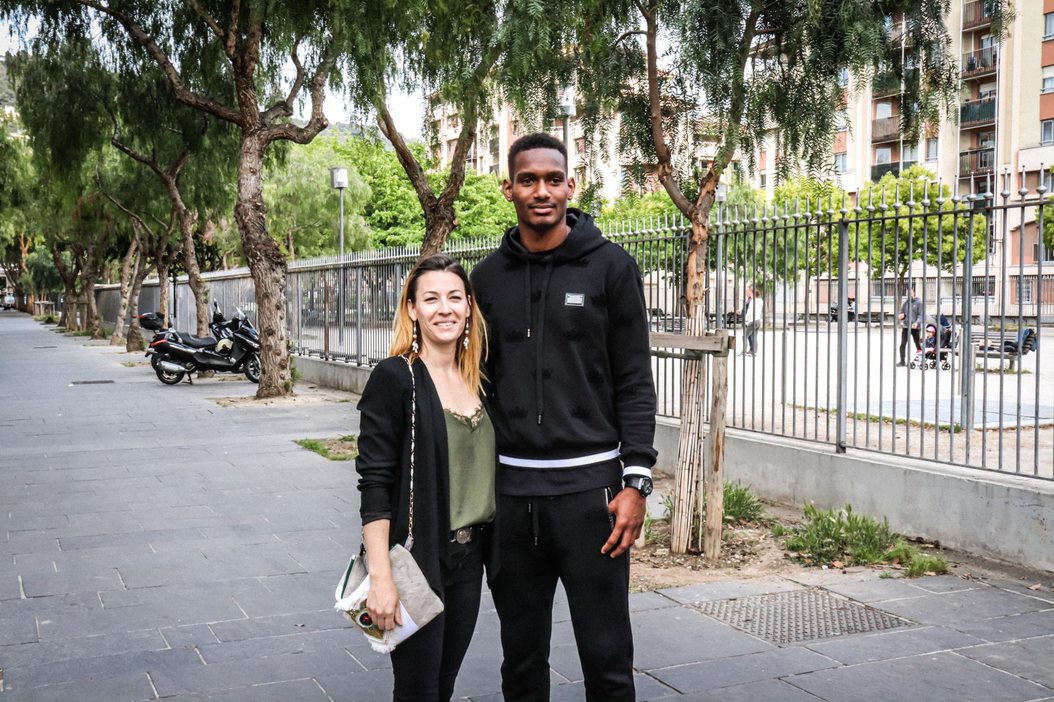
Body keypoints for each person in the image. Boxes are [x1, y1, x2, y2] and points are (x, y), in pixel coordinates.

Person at [471, 132, 658, 702]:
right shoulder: (485, 280)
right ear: (509, 189)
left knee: (607, 663)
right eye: (527, 180)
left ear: (571, 185)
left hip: (591, 496)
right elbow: (472, 385)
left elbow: (635, 382)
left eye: (553, 179)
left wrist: (637, 482)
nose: (541, 190)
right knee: (521, 663)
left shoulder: (612, 268)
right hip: (511, 497)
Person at [355, 254, 495, 702]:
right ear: (412, 309)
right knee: (418, 690)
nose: (445, 308)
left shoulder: (480, 378)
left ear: (469, 306)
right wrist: (381, 579)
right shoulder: (395, 378)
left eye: (455, 297)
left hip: (470, 562)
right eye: (430, 298)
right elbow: (375, 484)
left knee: (445, 684)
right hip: (419, 563)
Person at [897, 287, 923, 367]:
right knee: (903, 344)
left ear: (914, 293)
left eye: (910, 293)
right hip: (906, 327)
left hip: (915, 327)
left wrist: (916, 323)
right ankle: (902, 361)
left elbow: (921, 315)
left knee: (917, 344)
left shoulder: (919, 303)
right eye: (907, 293)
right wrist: (901, 316)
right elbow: (902, 313)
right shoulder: (905, 303)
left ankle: (920, 361)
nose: (908, 294)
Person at [741, 286, 763, 356]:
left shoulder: (753, 301)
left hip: (752, 321)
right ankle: (754, 351)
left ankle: (744, 351)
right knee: (754, 336)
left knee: (745, 336)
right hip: (758, 320)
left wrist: (746, 319)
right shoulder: (760, 301)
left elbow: (750, 312)